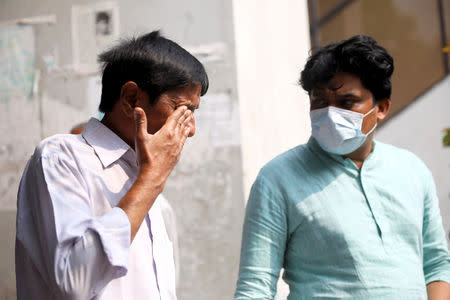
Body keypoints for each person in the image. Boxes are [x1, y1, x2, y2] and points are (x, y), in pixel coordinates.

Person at [235, 35, 450, 299]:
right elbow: (255, 287)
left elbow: (436, 265)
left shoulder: (413, 171)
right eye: (320, 101)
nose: (331, 114)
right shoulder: (277, 179)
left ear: (381, 108)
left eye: (347, 103)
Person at [15, 30, 208, 300]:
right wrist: (149, 181)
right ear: (131, 99)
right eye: (181, 110)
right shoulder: (60, 157)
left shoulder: (146, 179)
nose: (189, 130)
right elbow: (74, 282)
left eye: (192, 113)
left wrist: (149, 179)